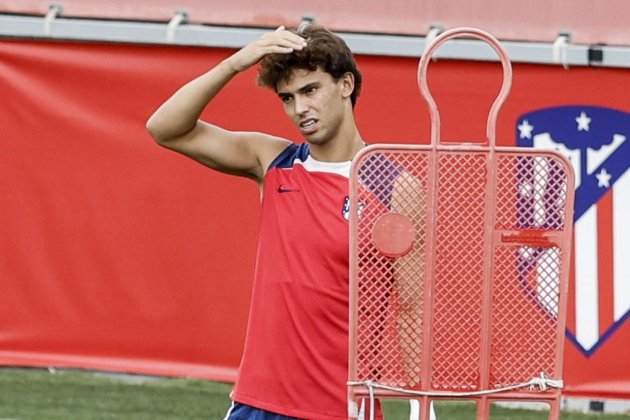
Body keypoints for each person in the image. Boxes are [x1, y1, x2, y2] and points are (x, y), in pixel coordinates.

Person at [146, 24, 370, 419]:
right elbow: (165, 128)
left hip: (342, 409)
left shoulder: (391, 185)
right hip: (258, 404)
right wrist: (235, 63)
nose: (299, 109)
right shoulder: (275, 161)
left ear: (345, 84)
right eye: (287, 98)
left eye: (310, 90)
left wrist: (423, 407)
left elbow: (411, 308)